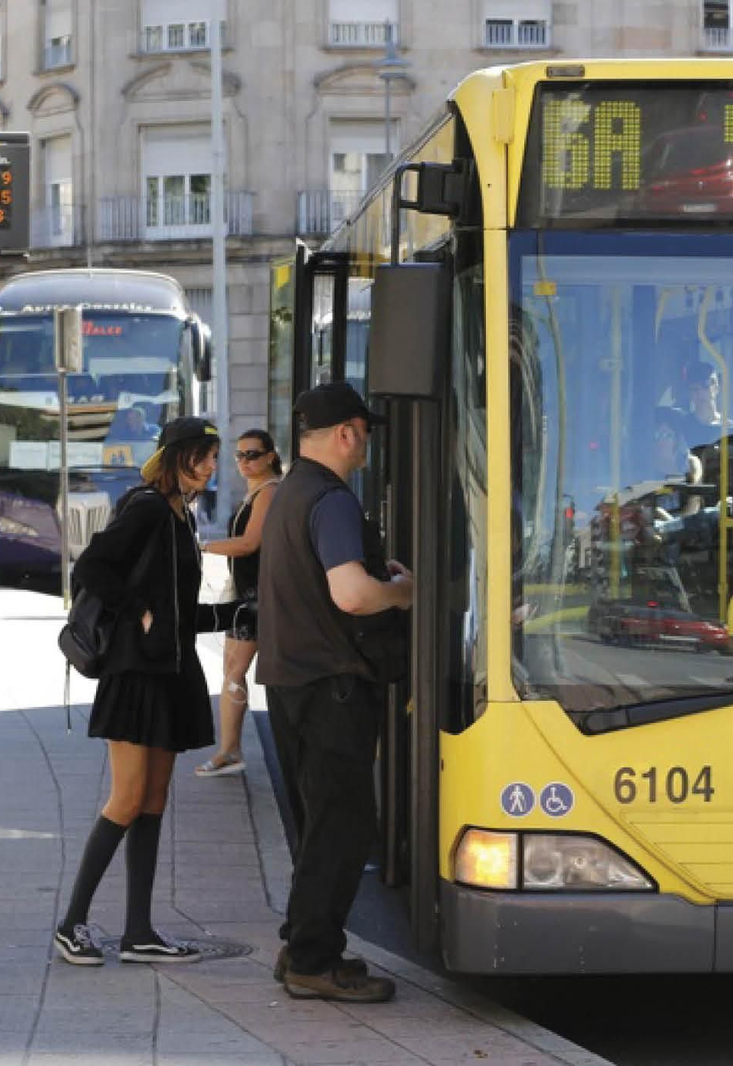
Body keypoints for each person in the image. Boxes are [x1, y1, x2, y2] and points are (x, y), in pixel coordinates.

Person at [52, 417, 228, 967]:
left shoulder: (182, 516)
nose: (211, 464)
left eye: (214, 455)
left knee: (152, 803)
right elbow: (92, 567)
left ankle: (139, 931)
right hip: (136, 677)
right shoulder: (149, 507)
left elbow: (177, 607)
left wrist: (233, 615)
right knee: (127, 800)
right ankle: (71, 924)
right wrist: (138, 610)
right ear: (177, 457)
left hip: (171, 676)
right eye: (203, 455)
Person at [257, 381, 412, 1004]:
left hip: (293, 683)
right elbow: (350, 593)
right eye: (365, 431)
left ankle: (304, 943)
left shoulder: (290, 493)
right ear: (346, 433)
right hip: (334, 688)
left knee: (320, 823)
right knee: (342, 827)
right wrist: (404, 592)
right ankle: (313, 963)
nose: (367, 441)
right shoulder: (332, 500)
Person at [194, 428, 283, 777]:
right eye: (240, 455)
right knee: (231, 670)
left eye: (253, 455)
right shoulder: (256, 492)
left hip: (256, 596)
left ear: (270, 457)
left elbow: (249, 544)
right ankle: (229, 749)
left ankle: (229, 751)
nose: (245, 462)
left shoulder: (270, 491)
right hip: (245, 594)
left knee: (234, 671)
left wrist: (202, 547)